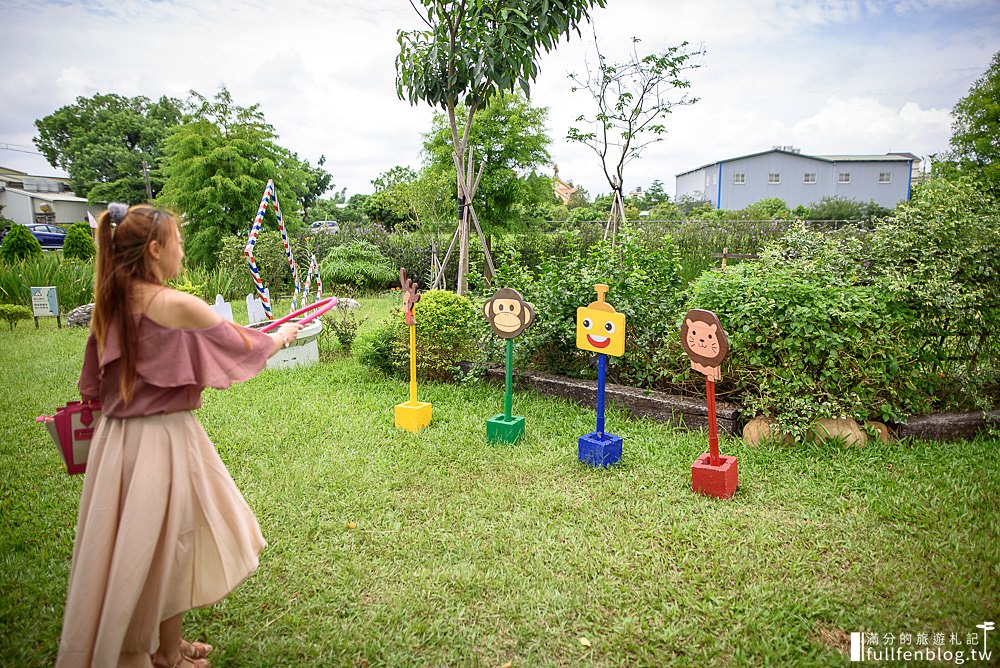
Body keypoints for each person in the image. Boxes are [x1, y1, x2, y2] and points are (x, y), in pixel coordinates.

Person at [56, 203, 302, 668]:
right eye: (178, 242)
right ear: (154, 249)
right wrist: (283, 335)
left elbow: (91, 381)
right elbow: (240, 341)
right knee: (169, 545)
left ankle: (165, 644)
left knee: (149, 546)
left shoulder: (112, 298)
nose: (182, 251)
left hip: (118, 442)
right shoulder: (174, 304)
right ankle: (160, 654)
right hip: (159, 441)